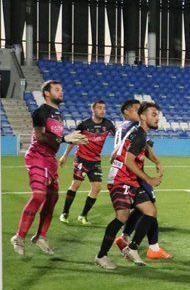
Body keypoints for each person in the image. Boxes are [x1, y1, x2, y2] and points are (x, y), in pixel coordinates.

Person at [10, 81, 87, 256]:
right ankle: (19, 237)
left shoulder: (58, 114)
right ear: (46, 93)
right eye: (57, 89)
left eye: (61, 89)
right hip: (37, 156)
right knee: (38, 195)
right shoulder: (41, 112)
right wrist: (65, 139)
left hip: (50, 160)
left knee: (52, 199)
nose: (61, 92)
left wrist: (71, 140)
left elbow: (55, 139)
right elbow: (40, 136)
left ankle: (41, 236)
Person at [95, 102, 163, 270]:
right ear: (142, 116)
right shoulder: (139, 134)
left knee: (150, 211)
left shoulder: (138, 133)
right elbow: (128, 160)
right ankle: (101, 256)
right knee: (122, 216)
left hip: (130, 179)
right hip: (120, 179)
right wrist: (149, 179)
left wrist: (157, 162)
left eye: (157, 114)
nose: (157, 117)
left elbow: (142, 149)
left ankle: (132, 248)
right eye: (153, 114)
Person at [109, 100, 172, 260]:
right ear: (128, 112)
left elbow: (122, 151)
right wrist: (149, 176)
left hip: (127, 173)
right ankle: (152, 247)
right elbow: (132, 152)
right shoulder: (134, 128)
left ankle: (125, 237)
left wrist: (156, 161)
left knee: (141, 209)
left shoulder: (122, 128)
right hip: (131, 175)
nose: (139, 113)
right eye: (137, 110)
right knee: (150, 208)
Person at [58, 100, 116, 224]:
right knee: (76, 185)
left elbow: (118, 138)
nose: (102, 110)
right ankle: (65, 213)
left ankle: (83, 215)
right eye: (100, 108)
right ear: (93, 110)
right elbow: (73, 140)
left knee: (97, 188)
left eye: (104, 108)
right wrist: (64, 156)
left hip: (95, 161)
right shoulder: (84, 124)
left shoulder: (108, 124)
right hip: (81, 159)